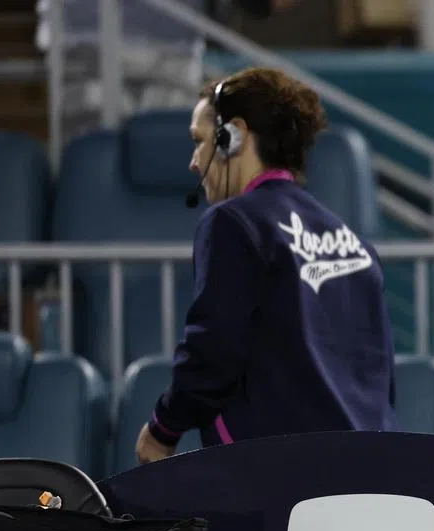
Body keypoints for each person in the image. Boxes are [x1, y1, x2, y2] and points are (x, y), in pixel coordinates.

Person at [136, 67, 397, 465]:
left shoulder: (233, 222)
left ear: (232, 136)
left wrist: (162, 428)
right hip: (369, 466)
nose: (194, 162)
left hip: (278, 474)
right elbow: (378, 373)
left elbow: (213, 350)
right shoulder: (352, 240)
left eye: (199, 141)